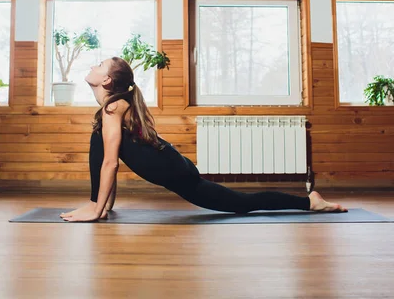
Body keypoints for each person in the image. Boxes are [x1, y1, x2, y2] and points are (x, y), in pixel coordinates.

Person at [60, 57, 347, 222]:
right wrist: (103, 205)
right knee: (97, 136)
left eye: (99, 64)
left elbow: (111, 163)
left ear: (107, 81)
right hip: (173, 165)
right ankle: (98, 202)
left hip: (178, 173)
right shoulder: (111, 110)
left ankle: (310, 202)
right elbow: (108, 159)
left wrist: (96, 211)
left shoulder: (113, 107)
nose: (93, 65)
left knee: (242, 204)